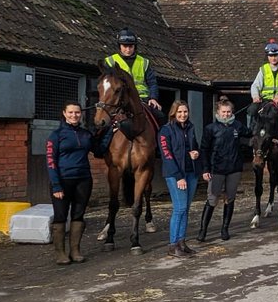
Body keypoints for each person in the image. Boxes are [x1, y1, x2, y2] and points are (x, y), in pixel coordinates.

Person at [45, 101, 102, 265]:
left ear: (81, 114)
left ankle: (75, 251)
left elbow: (98, 151)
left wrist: (106, 133)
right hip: (63, 180)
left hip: (83, 179)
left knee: (78, 214)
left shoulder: (86, 134)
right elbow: (50, 161)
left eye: (77, 112)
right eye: (70, 112)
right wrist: (56, 184)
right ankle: (60, 253)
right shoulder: (56, 136)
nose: (74, 115)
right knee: (61, 216)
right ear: (64, 113)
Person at [198, 96, 255, 243]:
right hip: (216, 169)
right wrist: (205, 169)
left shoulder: (237, 126)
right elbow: (204, 149)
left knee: (230, 198)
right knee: (212, 199)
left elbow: (250, 133)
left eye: (229, 112)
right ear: (218, 112)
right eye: (223, 112)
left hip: (234, 168)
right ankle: (203, 230)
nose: (226, 114)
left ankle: (225, 229)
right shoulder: (210, 129)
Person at [159, 100, 201, 258]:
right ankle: (173, 244)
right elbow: (167, 155)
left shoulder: (190, 127)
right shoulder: (165, 130)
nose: (183, 115)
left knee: (186, 209)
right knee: (179, 209)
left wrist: (195, 152)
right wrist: (178, 177)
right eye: (179, 112)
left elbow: (194, 145)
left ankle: (182, 242)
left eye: (185, 112)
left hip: (191, 172)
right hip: (176, 174)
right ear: (173, 113)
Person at [104, 27, 165, 126]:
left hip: (142, 99)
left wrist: (153, 98)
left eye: (131, 46)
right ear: (119, 46)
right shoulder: (110, 62)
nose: (128, 49)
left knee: (160, 116)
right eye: (125, 46)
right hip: (119, 100)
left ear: (134, 47)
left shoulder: (144, 62)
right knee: (103, 123)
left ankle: (161, 141)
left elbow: (152, 82)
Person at [250, 38, 278, 120]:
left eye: (275, 55)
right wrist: (255, 96)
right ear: (267, 56)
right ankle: (249, 131)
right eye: (270, 56)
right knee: (251, 111)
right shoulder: (263, 69)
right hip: (265, 99)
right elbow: (255, 85)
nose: (273, 58)